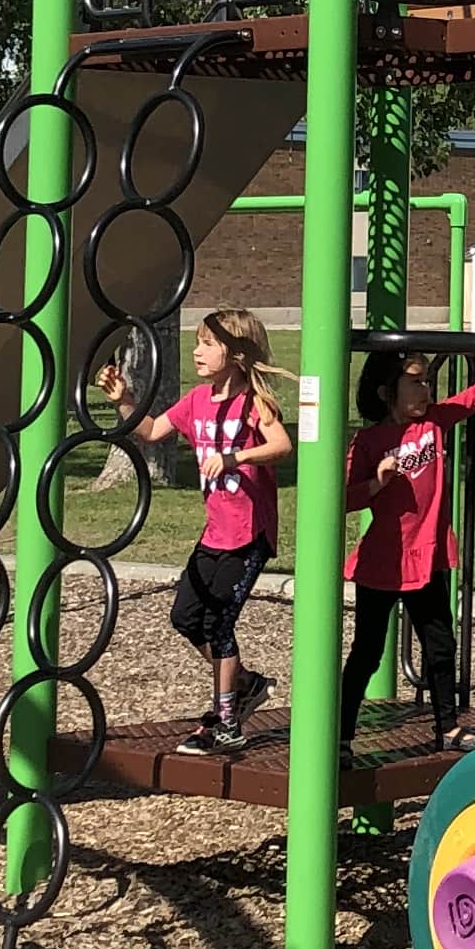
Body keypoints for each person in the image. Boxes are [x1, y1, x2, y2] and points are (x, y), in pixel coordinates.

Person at [107, 308, 293, 754]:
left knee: (220, 624)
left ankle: (225, 722)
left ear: (235, 351)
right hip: (214, 535)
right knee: (186, 619)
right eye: (197, 342)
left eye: (208, 343)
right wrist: (124, 399)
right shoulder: (195, 402)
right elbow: (152, 431)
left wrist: (236, 458)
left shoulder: (254, 403)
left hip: (249, 535)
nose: (197, 351)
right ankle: (244, 684)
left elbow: (282, 445)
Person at [339, 346, 475, 752]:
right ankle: (340, 734)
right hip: (383, 562)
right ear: (385, 392)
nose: (426, 389)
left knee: (440, 647)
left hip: (427, 557)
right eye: (415, 381)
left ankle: (448, 728)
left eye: (427, 380)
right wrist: (377, 483)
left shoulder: (435, 423)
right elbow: (344, 497)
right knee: (367, 653)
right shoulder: (369, 441)